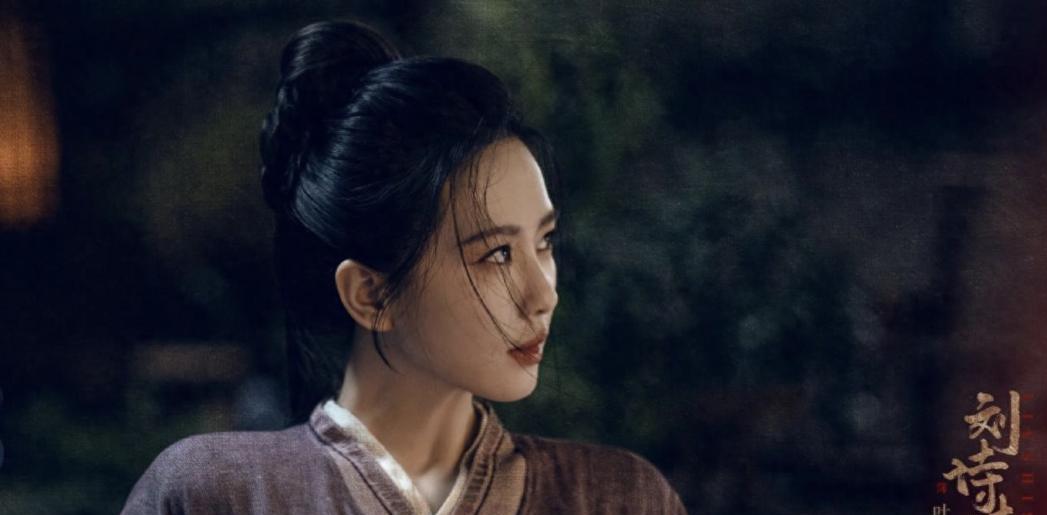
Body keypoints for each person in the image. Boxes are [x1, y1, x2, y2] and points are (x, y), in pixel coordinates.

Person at [120, 18, 687, 515]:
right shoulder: (217, 494)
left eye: (545, 242)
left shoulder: (619, 497)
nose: (544, 295)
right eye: (496, 254)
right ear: (369, 294)